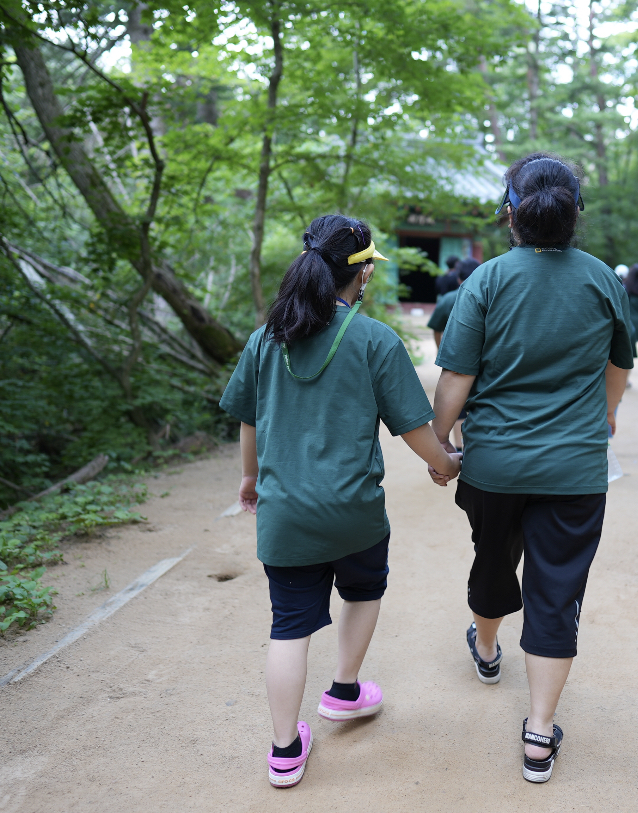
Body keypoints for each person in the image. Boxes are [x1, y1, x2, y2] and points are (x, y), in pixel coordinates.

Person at [219, 215, 461, 789]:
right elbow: (415, 428)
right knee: (364, 589)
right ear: (362, 272)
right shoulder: (375, 339)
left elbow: (249, 419)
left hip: (285, 515)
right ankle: (345, 691)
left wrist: (250, 479)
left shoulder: (265, 339)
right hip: (354, 513)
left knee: (289, 626)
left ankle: (284, 752)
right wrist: (447, 463)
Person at [430, 153, 633, 784]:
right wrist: (605, 415)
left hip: (494, 465)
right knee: (556, 591)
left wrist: (440, 444)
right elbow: (618, 368)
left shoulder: (486, 280)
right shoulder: (603, 280)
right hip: (575, 469)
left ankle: (487, 647)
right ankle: (539, 735)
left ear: (510, 213)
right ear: (576, 212)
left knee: (493, 559)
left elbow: (457, 376)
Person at [427, 257, 479, 448]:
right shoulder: (491, 295)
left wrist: (441, 350)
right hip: (484, 361)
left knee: (457, 399)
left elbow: (436, 327)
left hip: (457, 360)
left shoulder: (449, 299)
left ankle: (459, 447)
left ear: (458, 278)